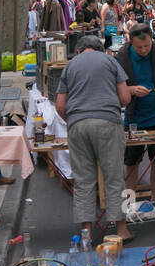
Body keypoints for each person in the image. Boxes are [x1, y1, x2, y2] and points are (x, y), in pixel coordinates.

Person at [55, 35, 133, 241]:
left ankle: (86, 233)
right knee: (114, 178)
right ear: (99, 49)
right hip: (107, 122)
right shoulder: (110, 61)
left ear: (79, 50)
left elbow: (60, 106)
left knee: (83, 180)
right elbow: (125, 97)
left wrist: (74, 119)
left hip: (78, 125)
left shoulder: (70, 66)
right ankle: (121, 231)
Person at [116, 23, 155, 220]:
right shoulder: (122, 57)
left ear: (152, 40)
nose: (143, 50)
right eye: (139, 47)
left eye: (146, 46)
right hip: (134, 116)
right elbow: (117, 86)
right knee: (131, 160)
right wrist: (132, 90)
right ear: (131, 43)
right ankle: (130, 202)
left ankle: (153, 200)